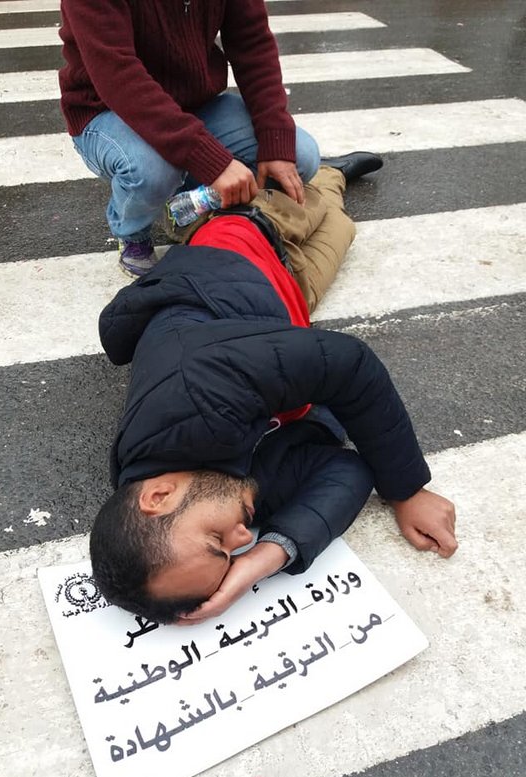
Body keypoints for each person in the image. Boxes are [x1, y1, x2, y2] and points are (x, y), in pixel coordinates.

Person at [90, 162, 457, 626]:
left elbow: (347, 364)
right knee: (342, 227)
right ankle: (328, 180)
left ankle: (322, 171)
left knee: (313, 199)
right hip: (286, 299)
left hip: (246, 241)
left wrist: (407, 491)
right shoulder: (210, 492)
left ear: (159, 496)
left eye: (217, 542)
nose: (241, 538)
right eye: (230, 555)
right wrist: (263, 560)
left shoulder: (194, 389)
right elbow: (347, 468)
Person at [59, 0, 322, 276]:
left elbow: (252, 43)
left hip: (196, 105)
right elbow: (118, 76)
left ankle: (183, 203)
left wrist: (274, 135)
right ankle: (133, 231)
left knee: (299, 155)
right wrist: (212, 162)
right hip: (108, 110)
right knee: (153, 173)